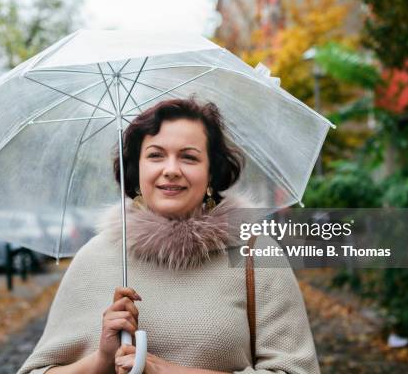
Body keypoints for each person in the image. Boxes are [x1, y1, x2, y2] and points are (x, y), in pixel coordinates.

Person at [18, 98, 320, 374]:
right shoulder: (94, 258)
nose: (171, 169)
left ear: (212, 173)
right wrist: (100, 361)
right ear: (136, 170)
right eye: (156, 155)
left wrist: (161, 370)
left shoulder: (255, 252)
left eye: (188, 157)